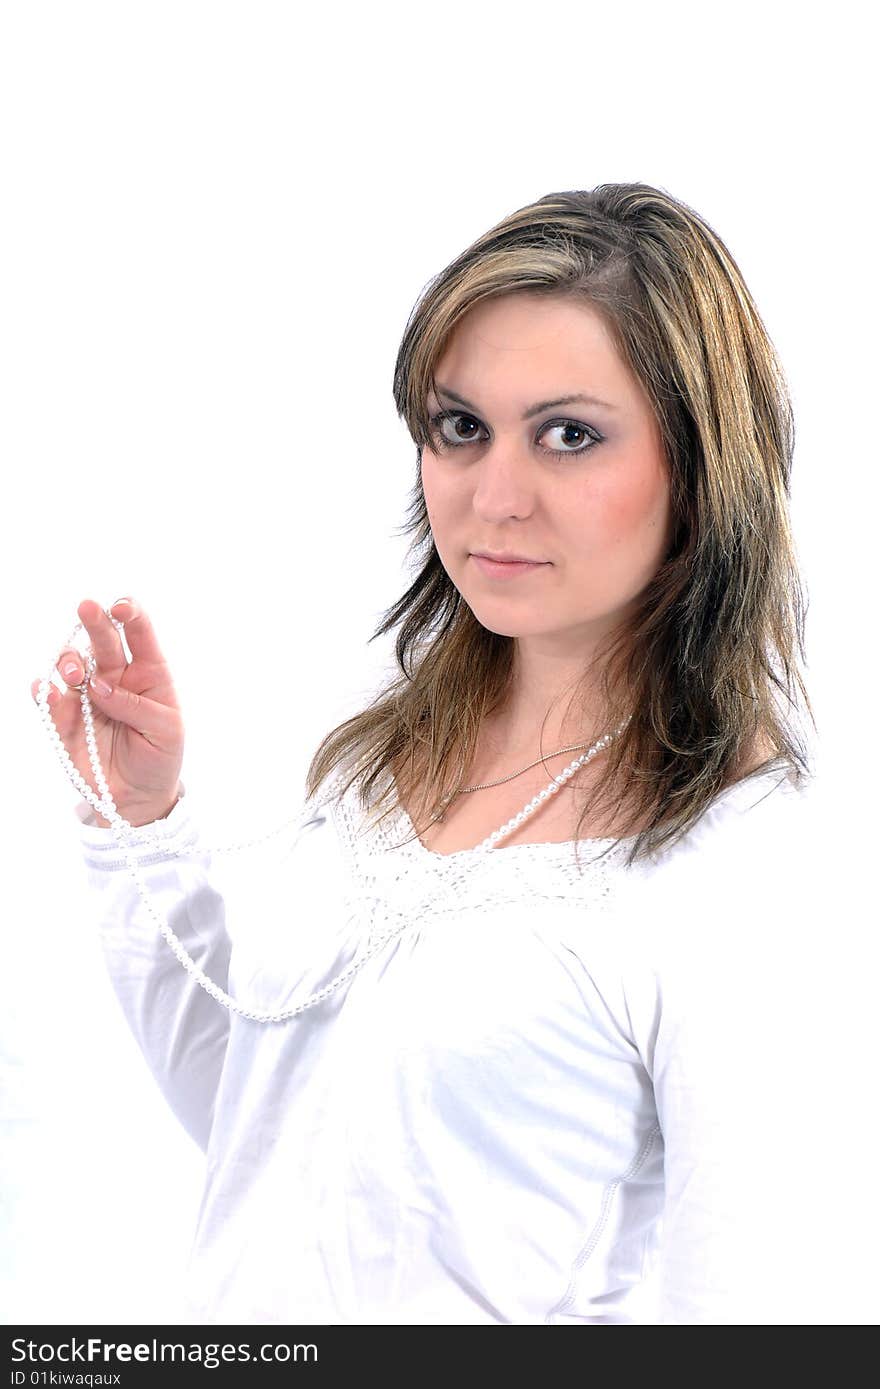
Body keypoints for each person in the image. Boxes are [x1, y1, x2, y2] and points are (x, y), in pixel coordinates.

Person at [30, 183, 861, 1324]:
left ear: (702, 466)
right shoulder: (378, 763)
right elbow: (264, 1122)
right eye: (460, 427)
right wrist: (139, 828)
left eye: (570, 435)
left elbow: (757, 1310)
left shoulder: (736, 865)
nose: (494, 498)